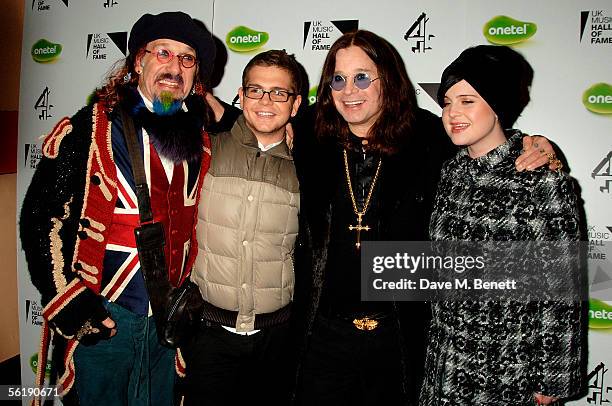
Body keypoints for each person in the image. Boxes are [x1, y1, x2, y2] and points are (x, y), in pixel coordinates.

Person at [290, 30, 561, 406]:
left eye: (362, 77)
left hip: (400, 338)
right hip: (322, 335)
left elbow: (489, 135)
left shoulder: (431, 137)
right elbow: (254, 116)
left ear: (389, 79)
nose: (349, 90)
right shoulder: (307, 134)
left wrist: (534, 144)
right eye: (338, 79)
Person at [20, 11, 222, 405]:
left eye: (187, 58)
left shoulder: (202, 138)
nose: (174, 67)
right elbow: (42, 217)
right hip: (107, 316)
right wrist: (69, 301)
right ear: (137, 62)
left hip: (170, 319)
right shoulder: (93, 127)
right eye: (163, 52)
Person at [420, 45, 585, 405]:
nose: (452, 113)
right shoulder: (451, 172)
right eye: (447, 102)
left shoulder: (540, 179)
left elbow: (562, 289)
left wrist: (551, 382)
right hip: (443, 364)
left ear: (497, 105)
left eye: (467, 101)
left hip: (509, 372)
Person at [180, 50, 302, 405]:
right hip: (208, 336)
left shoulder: (308, 166)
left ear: (295, 105)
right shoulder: (204, 147)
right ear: (241, 94)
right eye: (255, 91)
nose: (266, 101)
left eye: (279, 93)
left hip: (277, 341)